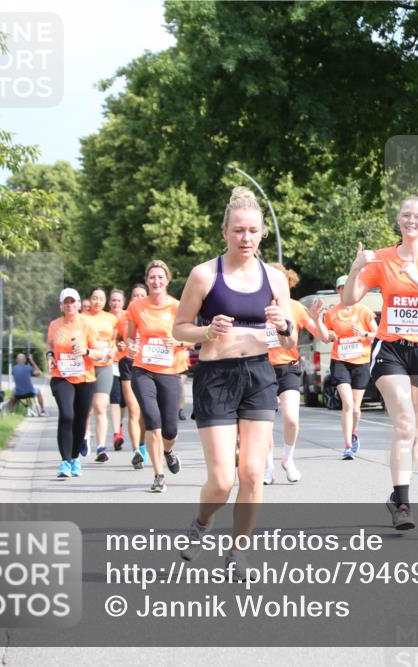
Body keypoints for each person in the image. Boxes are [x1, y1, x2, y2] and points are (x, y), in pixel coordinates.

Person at [173, 186, 295, 576]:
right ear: (225, 230)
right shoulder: (204, 275)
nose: (246, 238)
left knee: (254, 473)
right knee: (224, 479)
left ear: (262, 234)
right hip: (216, 378)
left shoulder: (274, 281)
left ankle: (238, 552)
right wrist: (206, 332)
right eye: (239, 230)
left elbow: (290, 338)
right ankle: (202, 523)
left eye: (254, 231)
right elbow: (179, 330)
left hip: (259, 374)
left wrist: (284, 324)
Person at [343, 195, 418, 530]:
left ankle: (398, 494)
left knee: (416, 433)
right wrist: (355, 267)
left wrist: (417, 278)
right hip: (391, 348)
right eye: (405, 215)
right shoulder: (381, 259)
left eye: (416, 216)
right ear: (398, 220)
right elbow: (350, 299)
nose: (410, 220)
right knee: (404, 422)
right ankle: (403, 504)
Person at [126, 261, 188, 493]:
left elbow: (194, 337)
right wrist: (131, 347)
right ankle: (158, 475)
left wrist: (179, 342)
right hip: (143, 369)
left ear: (167, 280)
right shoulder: (136, 306)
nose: (156, 281)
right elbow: (130, 337)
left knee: (169, 429)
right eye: (152, 277)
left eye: (160, 277)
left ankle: (168, 452)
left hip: (170, 371)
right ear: (146, 280)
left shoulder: (177, 307)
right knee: (152, 421)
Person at [264, 263, 320, 484]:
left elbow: (320, 333)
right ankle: (268, 467)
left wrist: (318, 321)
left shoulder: (294, 307)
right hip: (262, 367)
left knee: (291, 419)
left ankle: (287, 458)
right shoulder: (256, 305)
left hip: (288, 366)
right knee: (265, 423)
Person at [310, 274, 377, 460]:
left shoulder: (363, 311)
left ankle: (354, 433)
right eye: (341, 288)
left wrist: (364, 333)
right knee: (347, 404)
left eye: (347, 287)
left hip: (361, 362)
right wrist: (319, 323)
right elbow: (324, 337)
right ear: (338, 290)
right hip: (340, 361)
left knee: (356, 408)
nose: (344, 291)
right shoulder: (332, 313)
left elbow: (378, 334)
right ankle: (347, 445)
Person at [47, 288, 111, 479]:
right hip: (62, 377)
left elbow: (100, 353)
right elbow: (50, 345)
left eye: (73, 302)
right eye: (66, 302)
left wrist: (85, 352)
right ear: (61, 306)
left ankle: (75, 458)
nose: (70, 305)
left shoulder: (87, 324)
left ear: (78, 304)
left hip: (85, 378)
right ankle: (65, 461)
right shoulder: (55, 325)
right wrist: (50, 355)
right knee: (67, 415)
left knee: (80, 420)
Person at [85, 288, 119, 463]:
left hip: (105, 365)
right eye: (94, 298)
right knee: (85, 408)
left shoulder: (111, 318)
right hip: (86, 366)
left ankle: (101, 448)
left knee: (100, 406)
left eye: (101, 299)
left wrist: (113, 349)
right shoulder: (83, 318)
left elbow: (116, 340)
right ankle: (84, 436)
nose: (97, 301)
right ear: (89, 300)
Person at [119, 284, 149, 468]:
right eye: (135, 295)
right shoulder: (123, 317)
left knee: (145, 412)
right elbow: (110, 338)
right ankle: (136, 450)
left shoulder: (152, 315)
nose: (138, 298)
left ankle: (144, 445)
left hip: (147, 365)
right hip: (128, 364)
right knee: (134, 410)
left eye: (141, 295)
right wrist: (119, 345)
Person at [108, 288, 128, 451]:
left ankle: (119, 426)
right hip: (112, 363)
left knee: (124, 402)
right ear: (109, 302)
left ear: (123, 302)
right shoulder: (105, 318)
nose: (116, 303)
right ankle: (117, 434)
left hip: (128, 362)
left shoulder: (129, 317)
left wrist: (123, 344)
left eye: (118, 300)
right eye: (113, 300)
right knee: (115, 398)